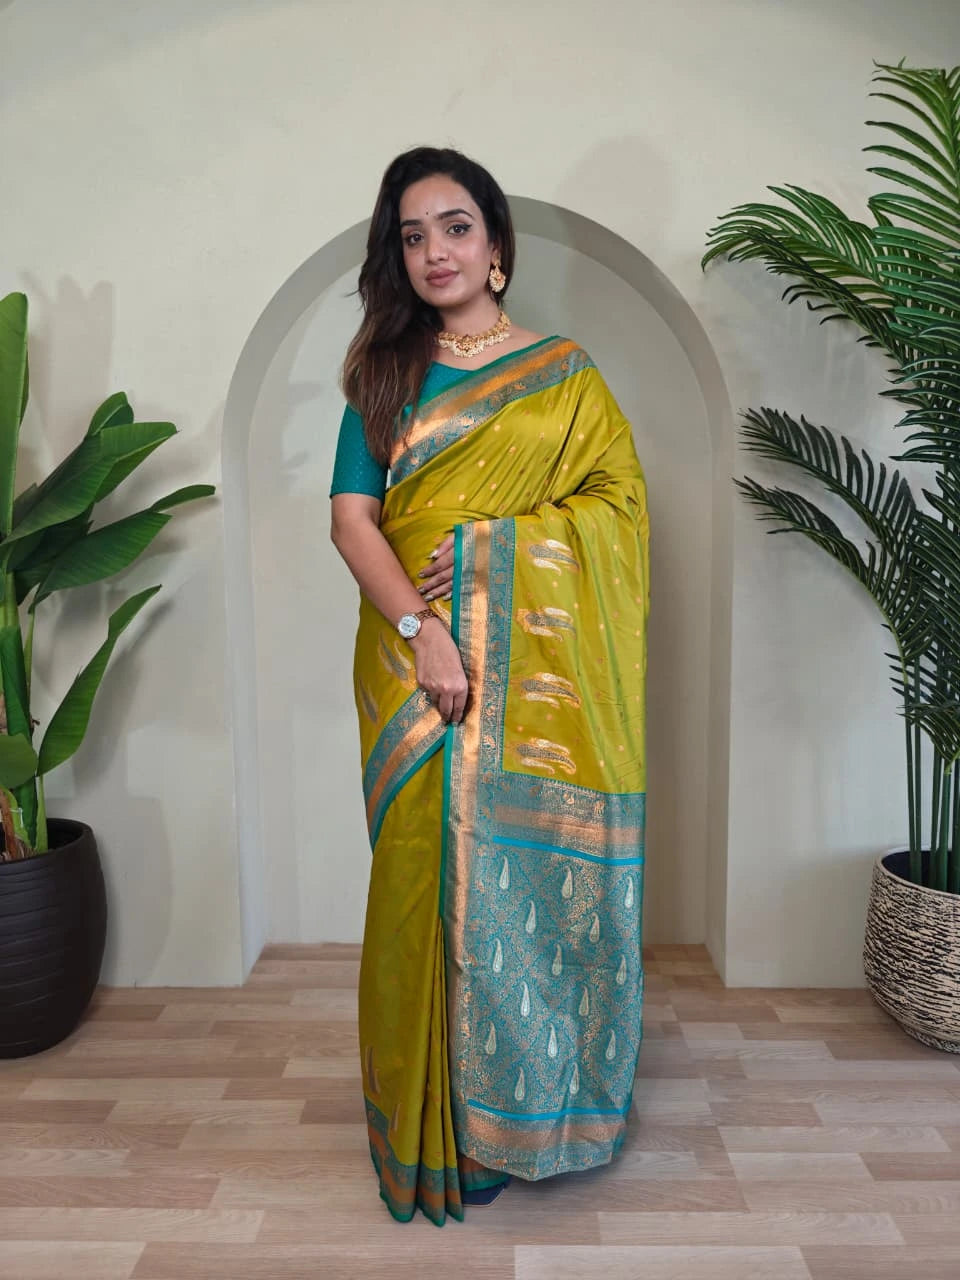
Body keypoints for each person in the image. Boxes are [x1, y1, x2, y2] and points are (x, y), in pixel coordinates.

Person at [330, 147, 649, 1226]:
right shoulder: (383, 370)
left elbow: (618, 511)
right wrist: (425, 630)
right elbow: (351, 520)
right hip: (415, 674)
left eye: (455, 227)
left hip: (533, 682)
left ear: (498, 249)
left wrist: (495, 550)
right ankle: (430, 1122)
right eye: (412, 235)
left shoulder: (564, 375)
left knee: (514, 888)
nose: (435, 252)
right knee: (422, 886)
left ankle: (517, 1105)